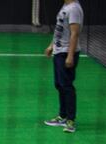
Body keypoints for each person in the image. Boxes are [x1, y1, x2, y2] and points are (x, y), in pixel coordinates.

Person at [44, 0, 83, 134]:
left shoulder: (74, 9)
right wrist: (52, 45)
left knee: (66, 86)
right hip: (59, 51)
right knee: (59, 84)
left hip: (66, 52)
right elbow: (59, 29)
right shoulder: (65, 6)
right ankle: (62, 116)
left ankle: (71, 121)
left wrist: (70, 55)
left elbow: (74, 33)